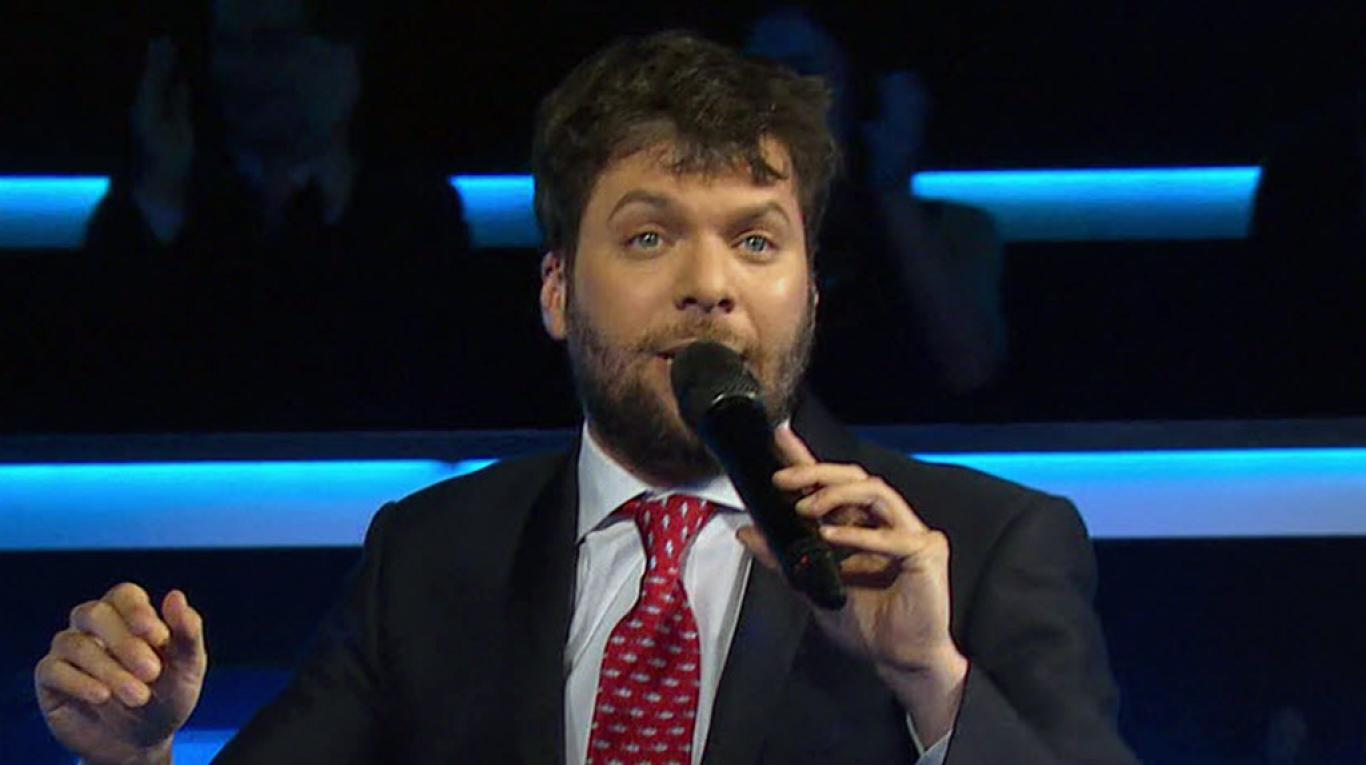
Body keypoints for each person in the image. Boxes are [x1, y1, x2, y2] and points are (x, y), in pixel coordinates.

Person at [34, 32, 1138, 764]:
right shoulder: (431, 555)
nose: (710, 286)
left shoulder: (984, 545)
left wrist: (933, 684)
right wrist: (138, 753)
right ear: (557, 290)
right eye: (650, 236)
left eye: (756, 242)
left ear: (808, 291)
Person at [67, 0, 484, 431]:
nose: (243, 71)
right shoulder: (161, 201)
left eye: (271, 43)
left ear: (345, 56)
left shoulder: (416, 211)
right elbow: (101, 375)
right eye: (229, 45)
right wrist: (160, 194)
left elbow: (438, 387)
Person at [746, 6, 1008, 423]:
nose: (773, 100)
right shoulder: (707, 238)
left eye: (800, 71)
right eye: (757, 76)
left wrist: (891, 187)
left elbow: (969, 367)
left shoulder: (957, 228)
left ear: (857, 91)